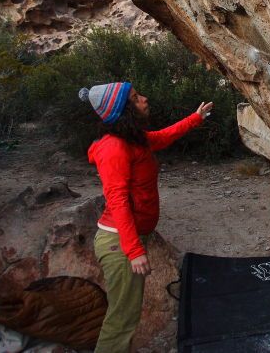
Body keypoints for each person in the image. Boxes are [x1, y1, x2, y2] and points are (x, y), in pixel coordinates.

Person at [78, 81, 213, 353]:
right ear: (124, 110)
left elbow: (162, 137)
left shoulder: (132, 139)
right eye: (136, 98)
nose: (144, 99)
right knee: (122, 320)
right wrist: (133, 250)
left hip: (126, 240)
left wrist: (194, 119)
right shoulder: (114, 148)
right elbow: (117, 201)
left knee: (125, 314)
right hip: (118, 244)